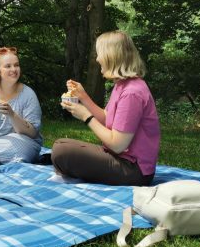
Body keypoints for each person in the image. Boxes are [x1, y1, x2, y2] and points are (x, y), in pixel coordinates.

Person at [52, 30, 160, 186]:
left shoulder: (132, 93)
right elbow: (106, 118)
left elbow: (117, 145)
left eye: (99, 54)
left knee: (61, 151)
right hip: (122, 160)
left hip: (133, 171)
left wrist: (86, 117)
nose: (97, 59)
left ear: (112, 57)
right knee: (60, 146)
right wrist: (83, 96)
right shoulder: (122, 85)